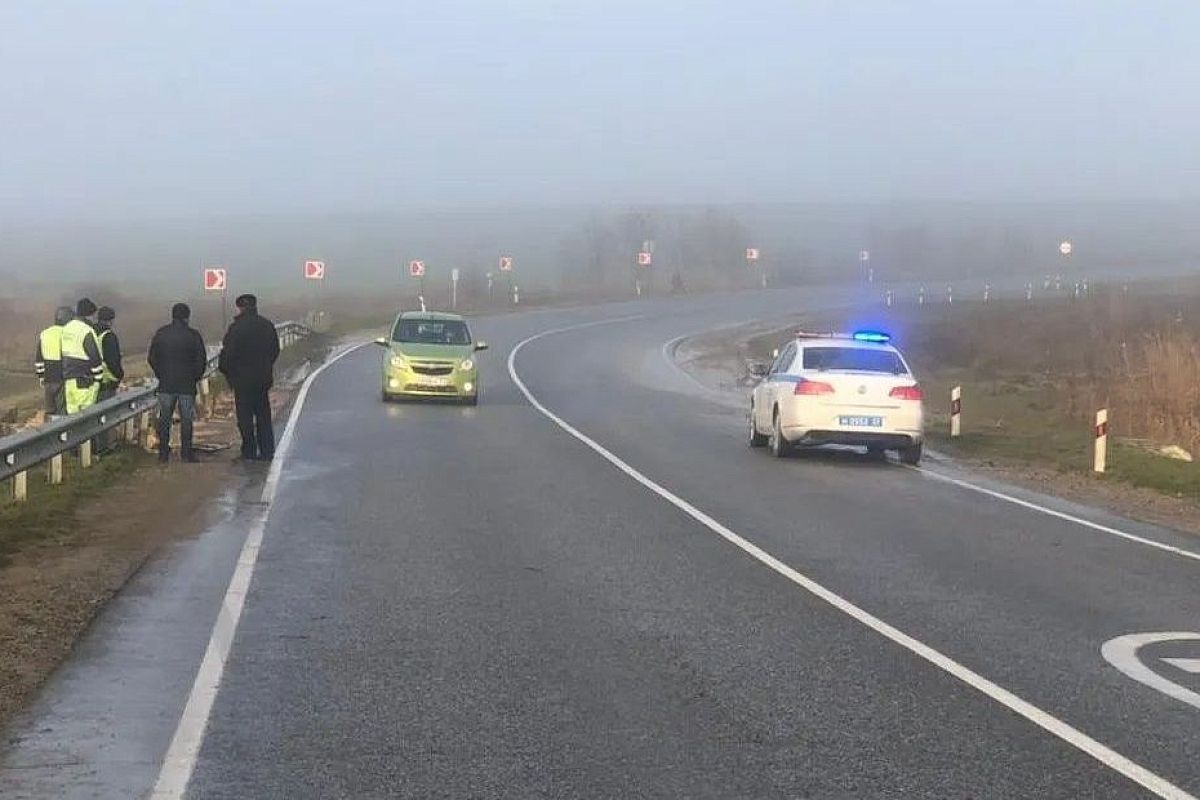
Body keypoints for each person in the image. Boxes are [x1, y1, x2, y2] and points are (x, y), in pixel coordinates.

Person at [219, 294, 280, 461]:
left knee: (245, 417)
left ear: (240, 308)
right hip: (262, 379)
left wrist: (228, 373)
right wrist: (266, 366)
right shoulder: (267, 326)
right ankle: (267, 451)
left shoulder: (236, 329)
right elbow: (275, 350)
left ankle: (249, 450)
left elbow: (227, 355)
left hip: (242, 381)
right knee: (263, 415)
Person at [147, 303, 207, 463]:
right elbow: (201, 360)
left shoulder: (161, 334)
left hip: (166, 383)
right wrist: (195, 376)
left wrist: (160, 374)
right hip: (187, 384)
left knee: (165, 418)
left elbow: (152, 357)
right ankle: (186, 453)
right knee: (186, 419)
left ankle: (163, 453)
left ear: (172, 315)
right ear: (187, 317)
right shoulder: (193, 335)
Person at [60, 298, 104, 414]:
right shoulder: (86, 331)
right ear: (88, 315)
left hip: (69, 381)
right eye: (93, 315)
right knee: (85, 417)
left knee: (72, 417)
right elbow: (95, 357)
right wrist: (98, 380)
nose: (94, 318)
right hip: (84, 382)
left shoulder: (66, 328)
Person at [94, 306, 125, 451]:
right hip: (107, 381)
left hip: (93, 381)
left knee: (96, 417)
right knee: (108, 417)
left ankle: (95, 447)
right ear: (111, 320)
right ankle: (107, 448)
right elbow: (113, 362)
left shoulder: (91, 333)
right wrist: (119, 375)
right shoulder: (109, 336)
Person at [34, 306, 73, 417]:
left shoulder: (45, 333)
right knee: (62, 412)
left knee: (50, 411)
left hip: (48, 379)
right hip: (62, 378)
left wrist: (41, 377)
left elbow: (39, 359)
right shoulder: (67, 333)